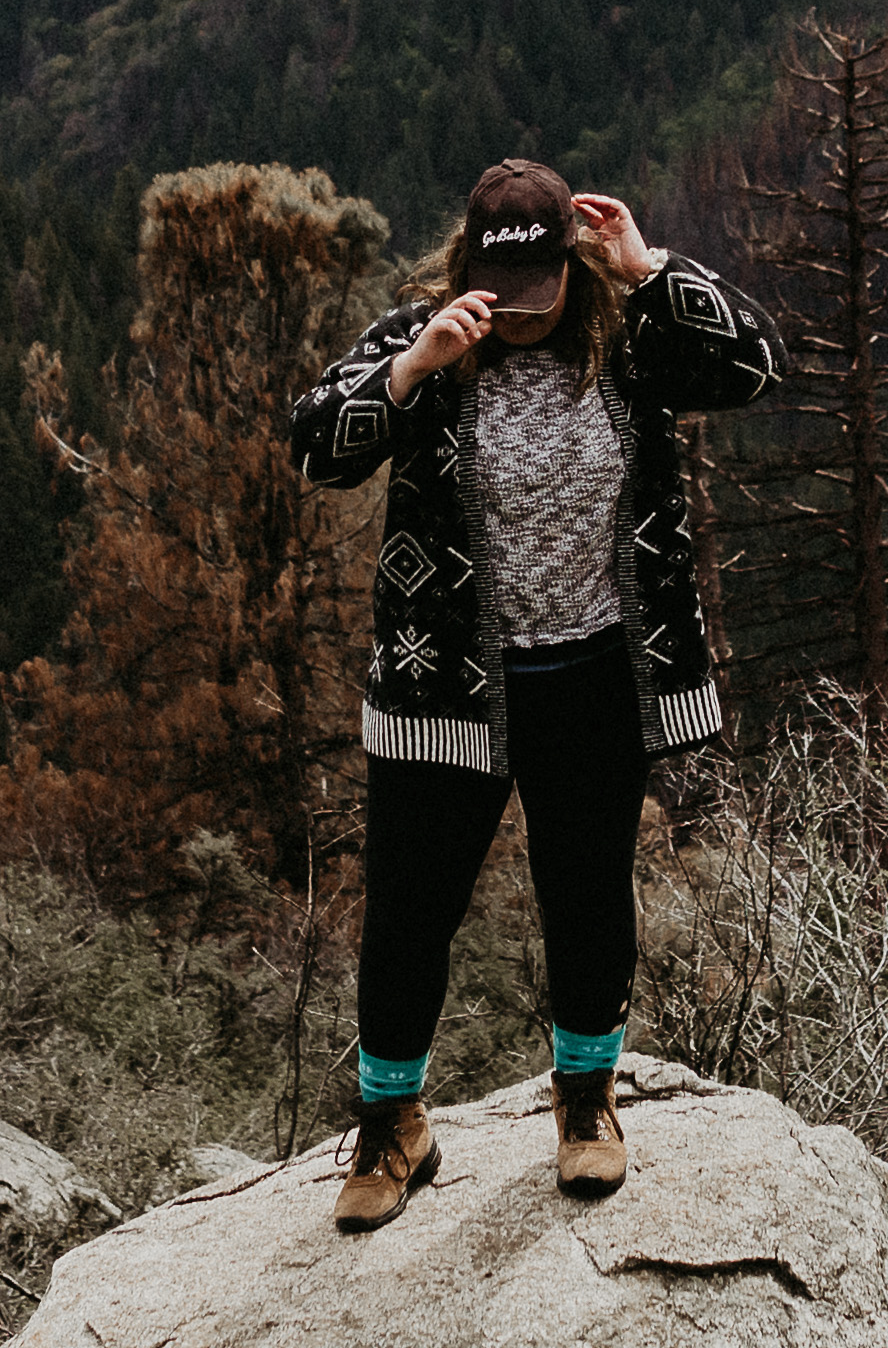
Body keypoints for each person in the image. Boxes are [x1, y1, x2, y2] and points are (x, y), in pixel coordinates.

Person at [284, 157, 780, 1227]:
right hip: (444, 688)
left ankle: (588, 1098)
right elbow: (314, 443)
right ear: (470, 264)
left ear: (571, 259)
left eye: (540, 288)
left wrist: (652, 272)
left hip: (596, 671)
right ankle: (391, 1122)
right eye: (501, 291)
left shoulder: (629, 336)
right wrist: (415, 366)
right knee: (411, 909)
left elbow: (754, 368)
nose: (518, 313)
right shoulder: (425, 336)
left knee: (588, 889)